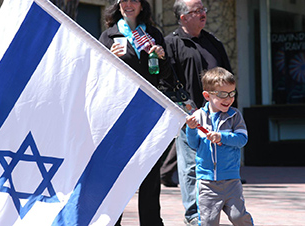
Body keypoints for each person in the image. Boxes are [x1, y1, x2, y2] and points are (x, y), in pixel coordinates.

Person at [99, 0, 172, 225]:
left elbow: (166, 75)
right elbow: (99, 76)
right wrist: (109, 58)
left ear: (142, 5)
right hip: (120, 115)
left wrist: (161, 57)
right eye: (124, 0)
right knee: (117, 176)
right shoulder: (108, 36)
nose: (128, 4)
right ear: (118, 5)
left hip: (148, 113)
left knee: (150, 176)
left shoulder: (153, 34)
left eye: (134, 0)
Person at [163, 0, 234, 225]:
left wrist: (230, 111)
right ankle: (194, 216)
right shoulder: (171, 44)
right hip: (190, 118)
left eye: (203, 9)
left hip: (218, 118)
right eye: (197, 11)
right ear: (183, 17)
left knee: (217, 165)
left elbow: (229, 78)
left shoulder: (214, 42)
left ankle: (215, 210)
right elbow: (166, 81)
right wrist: (184, 112)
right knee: (191, 167)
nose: (203, 14)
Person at [185, 67, 253, 225]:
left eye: (232, 93)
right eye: (223, 94)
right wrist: (191, 129)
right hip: (207, 183)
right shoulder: (198, 116)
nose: (228, 99)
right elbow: (193, 144)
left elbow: (242, 139)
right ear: (207, 95)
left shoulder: (235, 116)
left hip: (231, 181)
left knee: (239, 217)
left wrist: (222, 137)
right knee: (208, 221)